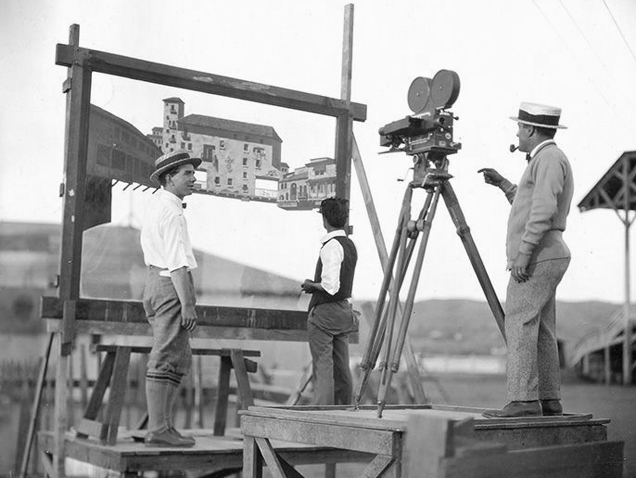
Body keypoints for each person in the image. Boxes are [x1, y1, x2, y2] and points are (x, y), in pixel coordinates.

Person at [478, 102, 574, 418]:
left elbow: (543, 210)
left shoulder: (547, 158)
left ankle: (523, 400)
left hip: (539, 254)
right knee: (542, 327)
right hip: (550, 252)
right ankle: (548, 399)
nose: (517, 133)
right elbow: (530, 201)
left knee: (519, 321)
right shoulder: (549, 159)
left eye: (519, 127)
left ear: (530, 130)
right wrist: (504, 184)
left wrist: (523, 252)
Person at [140, 151, 201, 446]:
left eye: (193, 173)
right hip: (170, 284)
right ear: (169, 178)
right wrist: (188, 304)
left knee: (177, 356)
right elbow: (177, 263)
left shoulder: (157, 203)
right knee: (166, 356)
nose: (193, 179)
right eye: (187, 174)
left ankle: (164, 426)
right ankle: (158, 429)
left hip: (154, 282)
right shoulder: (173, 212)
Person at [301, 197, 358, 405]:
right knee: (342, 367)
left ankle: (322, 414)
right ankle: (345, 412)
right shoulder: (349, 245)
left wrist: (310, 285)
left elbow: (330, 286)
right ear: (343, 219)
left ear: (325, 220)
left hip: (325, 313)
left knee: (323, 368)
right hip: (344, 311)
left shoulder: (330, 246)